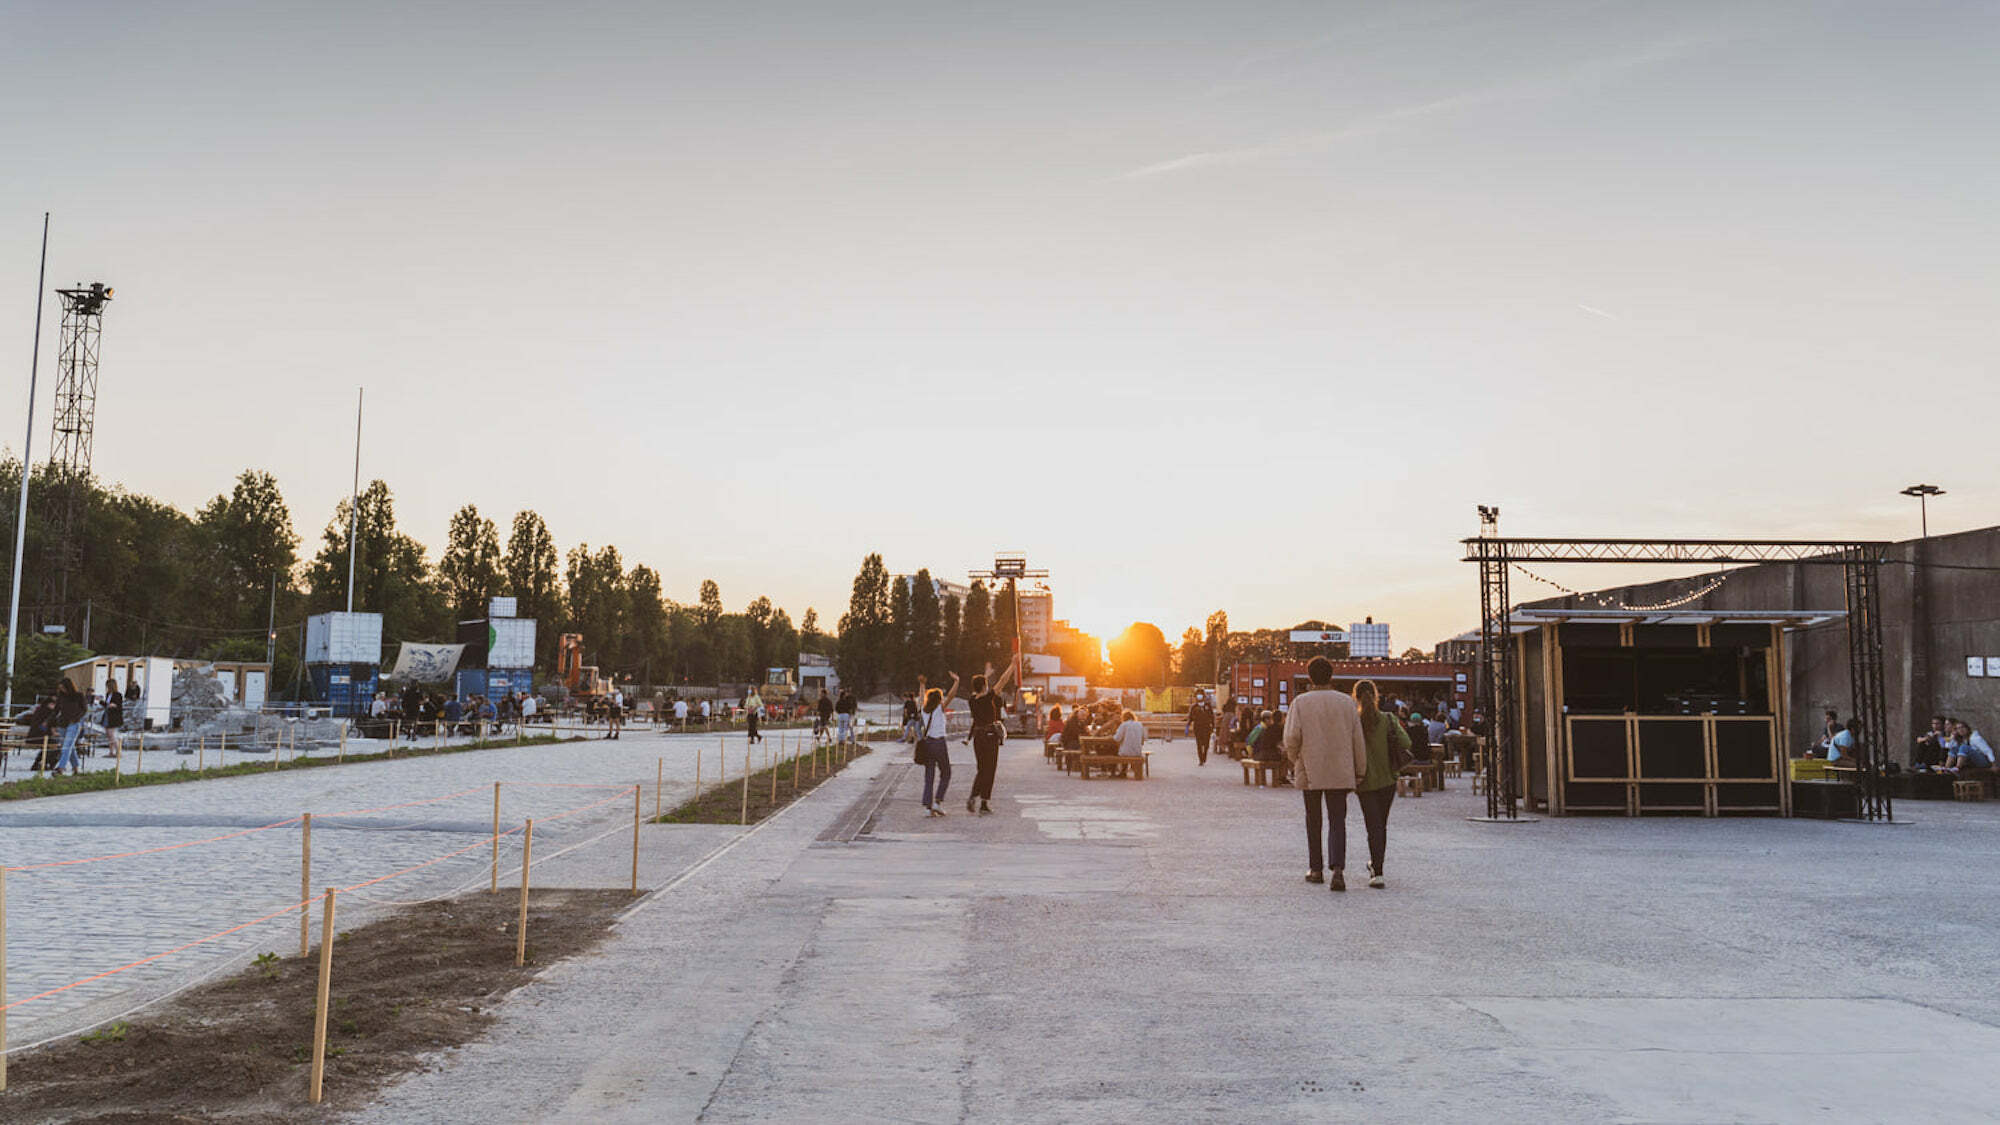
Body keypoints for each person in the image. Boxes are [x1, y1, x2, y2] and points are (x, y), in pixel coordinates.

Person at [1281, 657, 1368, 892]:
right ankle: (1338, 868)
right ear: (1331, 675)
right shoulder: (1346, 703)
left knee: (1313, 819)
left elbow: (1291, 738)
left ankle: (1316, 869)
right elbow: (1357, 739)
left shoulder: (1300, 702)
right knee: (1337, 820)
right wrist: (1359, 769)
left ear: (1309, 677)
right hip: (1340, 769)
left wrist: (1294, 758)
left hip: (1310, 768)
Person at [1350, 680, 1409, 889]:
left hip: (1364, 781)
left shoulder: (1354, 722)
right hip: (1387, 780)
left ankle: (1377, 869)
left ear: (1355, 697)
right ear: (1376, 696)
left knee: (1372, 825)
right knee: (1381, 825)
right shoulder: (1389, 719)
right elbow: (1406, 744)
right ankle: (1377, 867)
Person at [965, 662, 1018, 814]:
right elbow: (1002, 680)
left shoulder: (972, 700)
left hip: (978, 737)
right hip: (989, 736)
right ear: (984, 687)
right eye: (986, 684)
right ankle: (983, 802)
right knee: (990, 769)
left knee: (981, 769)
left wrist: (985, 675)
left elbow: (981, 686)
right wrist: (1013, 665)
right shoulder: (987, 698)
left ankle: (974, 796)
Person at [915, 672, 961, 817]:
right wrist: (957, 681)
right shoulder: (940, 709)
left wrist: (922, 684)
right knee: (946, 773)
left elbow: (922, 697)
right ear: (939, 699)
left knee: (929, 776)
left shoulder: (924, 710)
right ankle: (937, 802)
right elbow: (952, 696)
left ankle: (928, 808)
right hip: (939, 743)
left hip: (928, 743)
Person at [53, 679, 87, 775]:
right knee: (69, 747)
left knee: (66, 746)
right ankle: (76, 767)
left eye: (63, 688)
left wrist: (76, 718)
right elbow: (56, 710)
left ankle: (61, 767)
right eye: (60, 688)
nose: (62, 690)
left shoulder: (79, 696)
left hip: (74, 723)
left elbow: (84, 709)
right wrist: (49, 722)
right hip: (63, 724)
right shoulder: (61, 697)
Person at [1188, 691, 1216, 766]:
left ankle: (1204, 756)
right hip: (1198, 728)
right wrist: (1188, 726)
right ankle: (1201, 759)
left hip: (1207, 728)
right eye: (1198, 696)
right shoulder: (1194, 707)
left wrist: (1213, 726)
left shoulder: (1208, 706)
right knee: (1199, 744)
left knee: (1206, 744)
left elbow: (1212, 716)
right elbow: (1190, 717)